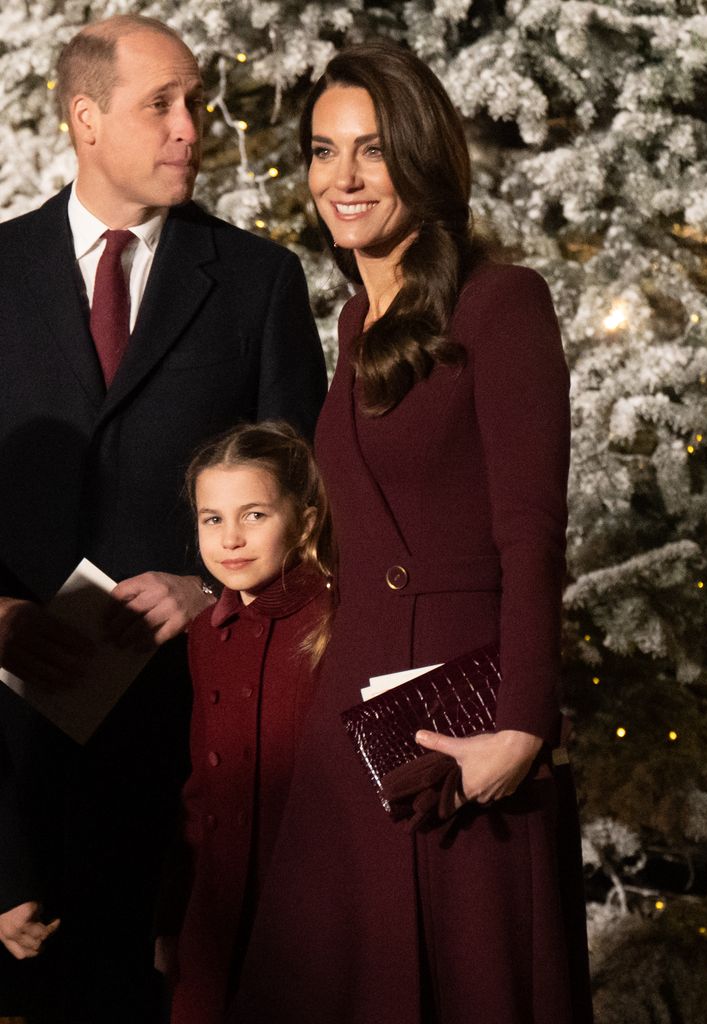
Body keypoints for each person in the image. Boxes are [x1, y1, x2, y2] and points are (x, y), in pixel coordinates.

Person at [231, 42, 593, 1024]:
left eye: (371, 151)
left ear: (422, 161)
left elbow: (531, 534)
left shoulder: (500, 301)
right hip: (351, 732)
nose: (339, 178)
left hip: (461, 735)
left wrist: (518, 728)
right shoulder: (351, 321)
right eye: (321, 150)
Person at [0, 13, 326, 1024]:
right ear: (85, 118)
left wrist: (210, 582)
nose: (192, 126)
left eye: (195, 101)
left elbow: (310, 499)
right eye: (162, 105)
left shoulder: (257, 282)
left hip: (191, 746)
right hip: (14, 755)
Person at [155, 421, 334, 1024]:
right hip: (217, 919)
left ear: (304, 522)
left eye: (254, 515)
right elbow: (200, 789)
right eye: (212, 519)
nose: (230, 538)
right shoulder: (205, 637)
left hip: (311, 920)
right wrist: (174, 916)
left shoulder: (337, 620)